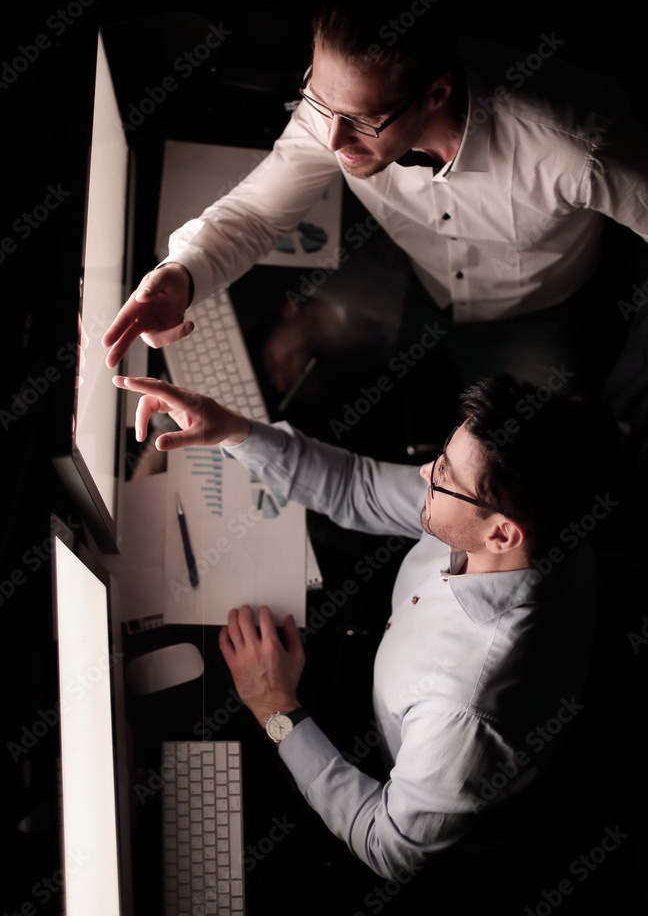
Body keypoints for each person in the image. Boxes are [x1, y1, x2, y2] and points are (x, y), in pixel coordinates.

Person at [113, 371, 616, 892]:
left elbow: (387, 845)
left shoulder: (464, 709)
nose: (424, 472)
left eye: (442, 475)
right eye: (441, 455)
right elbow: (359, 487)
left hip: (414, 795)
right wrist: (232, 431)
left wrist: (274, 709)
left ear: (503, 533)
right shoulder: (535, 515)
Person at [102, 0, 647, 441]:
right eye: (320, 102)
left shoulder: (580, 144)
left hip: (537, 311)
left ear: (435, 94)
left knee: (536, 466)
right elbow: (258, 212)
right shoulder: (335, 111)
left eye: (361, 120)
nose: (334, 142)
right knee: (280, 353)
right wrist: (180, 273)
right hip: (406, 273)